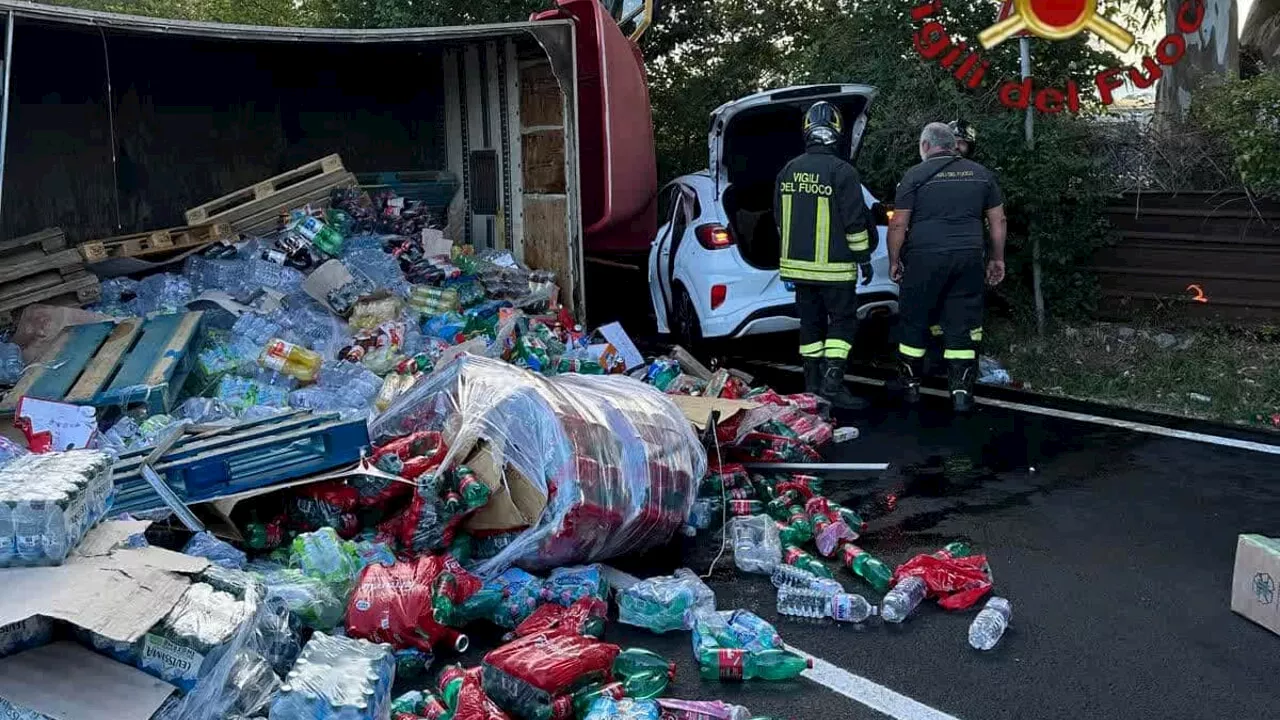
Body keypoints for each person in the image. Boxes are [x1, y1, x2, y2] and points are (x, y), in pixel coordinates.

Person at [887, 122, 1006, 413]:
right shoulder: (981, 175)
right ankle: (962, 392)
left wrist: (894, 260)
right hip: (968, 258)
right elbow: (998, 221)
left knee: (914, 319)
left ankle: (911, 387)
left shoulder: (914, 175)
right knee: (962, 324)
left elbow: (899, 223)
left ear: (926, 146)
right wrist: (997, 258)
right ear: (953, 145)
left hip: (924, 258)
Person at [774, 101, 877, 410]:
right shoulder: (843, 171)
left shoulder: (787, 170)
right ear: (836, 132)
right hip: (835, 270)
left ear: (807, 131)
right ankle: (832, 384)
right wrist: (864, 259)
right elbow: (855, 222)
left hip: (798, 271)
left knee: (810, 325)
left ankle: (812, 385)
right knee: (843, 324)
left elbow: (780, 221)